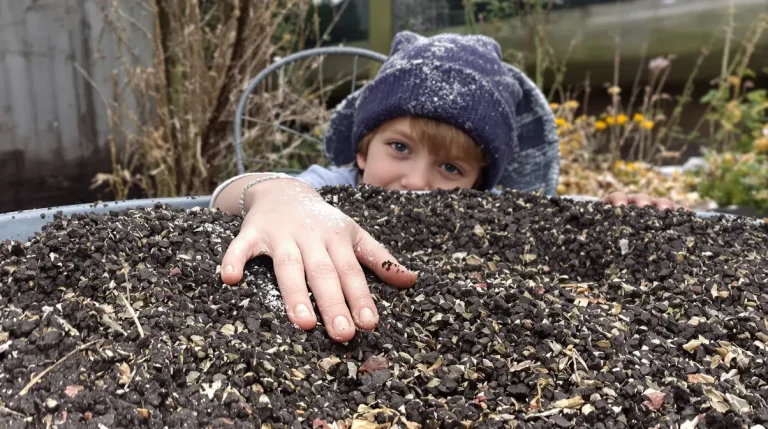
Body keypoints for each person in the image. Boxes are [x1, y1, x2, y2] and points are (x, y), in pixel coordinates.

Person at [209, 31, 680, 343]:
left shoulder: (485, 215)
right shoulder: (331, 188)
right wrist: (279, 194)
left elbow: (558, 222)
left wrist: (619, 213)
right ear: (361, 150)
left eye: (451, 169)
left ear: (479, 183)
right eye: (398, 147)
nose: (417, 181)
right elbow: (228, 195)